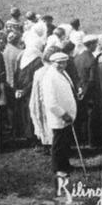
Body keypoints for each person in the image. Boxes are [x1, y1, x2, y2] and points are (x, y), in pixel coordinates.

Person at [42, 52, 77, 188]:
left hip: (68, 116)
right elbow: (50, 102)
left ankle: (65, 164)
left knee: (64, 143)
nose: (63, 65)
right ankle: (58, 168)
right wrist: (63, 114)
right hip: (59, 117)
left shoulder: (62, 73)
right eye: (59, 63)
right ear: (52, 62)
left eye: (65, 62)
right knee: (58, 144)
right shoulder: (49, 77)